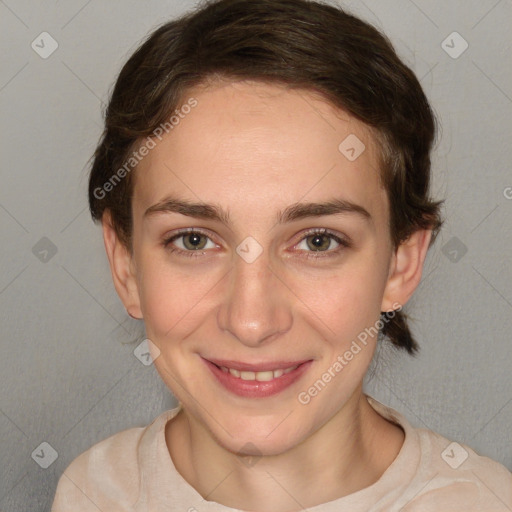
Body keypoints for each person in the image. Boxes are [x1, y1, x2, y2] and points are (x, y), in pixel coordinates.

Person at [51, 0, 512, 510]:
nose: (251, 321)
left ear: (401, 263)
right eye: (194, 240)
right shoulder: (93, 493)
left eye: (318, 241)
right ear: (125, 265)